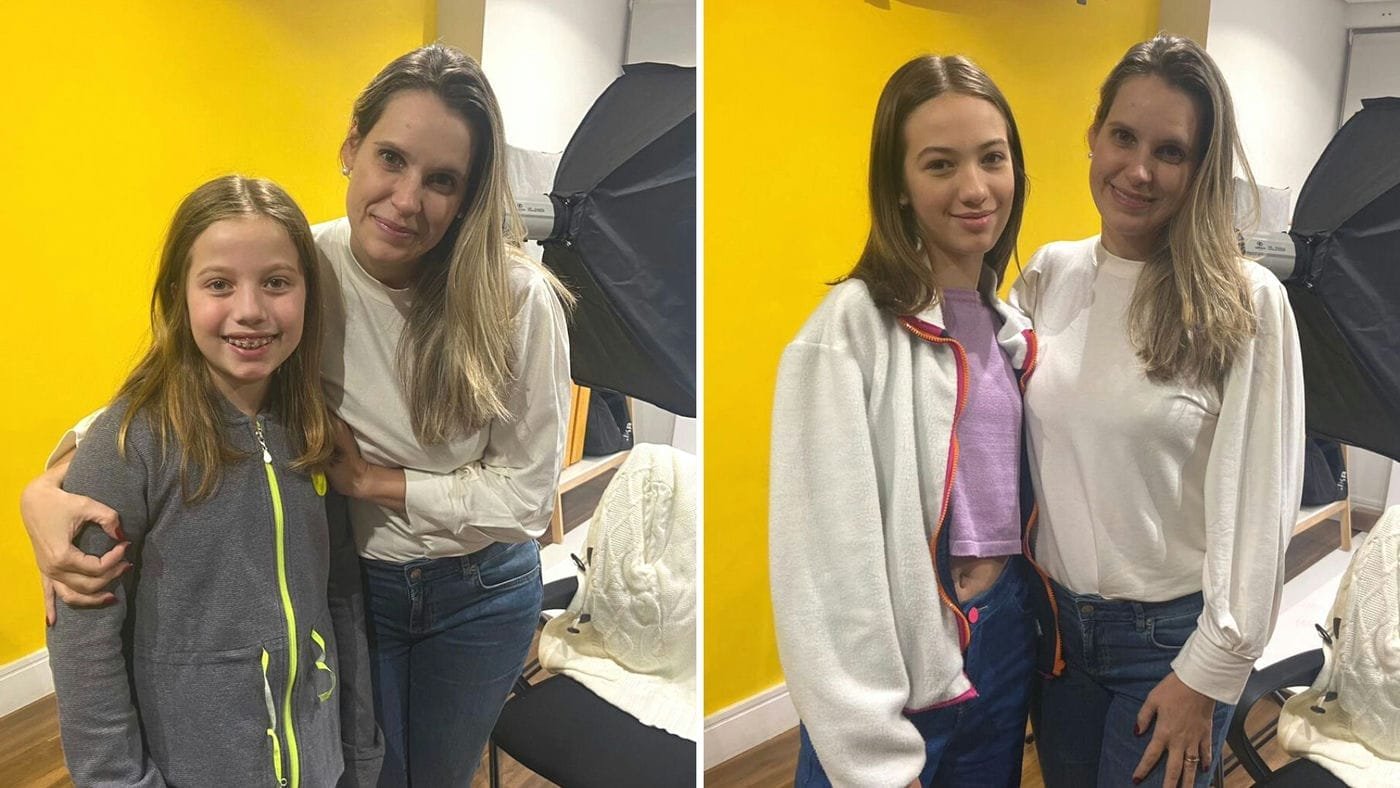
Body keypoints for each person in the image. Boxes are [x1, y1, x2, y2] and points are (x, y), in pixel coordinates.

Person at [23, 45, 573, 786]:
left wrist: (372, 482)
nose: (406, 200)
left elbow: (529, 497)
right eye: (391, 158)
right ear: (351, 147)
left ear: (468, 195)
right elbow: (180, 380)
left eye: (442, 180)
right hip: (363, 579)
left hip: (479, 592)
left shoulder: (515, 299)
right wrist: (52, 484)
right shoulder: (303, 264)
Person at [1010, 35, 1305, 788]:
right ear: (1093, 136)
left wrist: (1208, 674)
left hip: (1169, 646)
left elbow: (1261, 509)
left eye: (1170, 152)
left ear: (1201, 168)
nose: (1138, 170)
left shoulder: (1245, 301)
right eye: (1123, 136)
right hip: (1057, 635)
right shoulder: (1048, 274)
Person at [768, 55, 1059, 788]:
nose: (975, 188)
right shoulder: (847, 333)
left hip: (1002, 641)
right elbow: (824, 568)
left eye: (992, 158)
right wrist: (867, 740)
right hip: (897, 662)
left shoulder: (1012, 329)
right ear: (897, 185)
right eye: (940, 164)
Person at [47, 175, 379, 787]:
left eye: (276, 282)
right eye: (219, 284)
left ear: (308, 293)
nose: (250, 309)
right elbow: (84, 644)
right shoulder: (127, 444)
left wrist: (357, 751)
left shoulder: (313, 429)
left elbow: (340, 597)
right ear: (179, 294)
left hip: (319, 765)